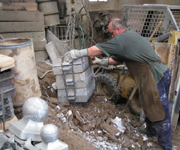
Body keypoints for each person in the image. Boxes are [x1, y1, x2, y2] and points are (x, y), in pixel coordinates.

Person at [65, 18, 172, 150]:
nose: (111, 36)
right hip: (148, 77)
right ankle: (152, 131)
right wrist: (101, 62)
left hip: (156, 76)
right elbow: (118, 59)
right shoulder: (128, 38)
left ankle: (165, 145)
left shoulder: (123, 39)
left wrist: (77, 53)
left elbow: (98, 49)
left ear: (118, 29)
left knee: (160, 109)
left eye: (111, 33)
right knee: (148, 103)